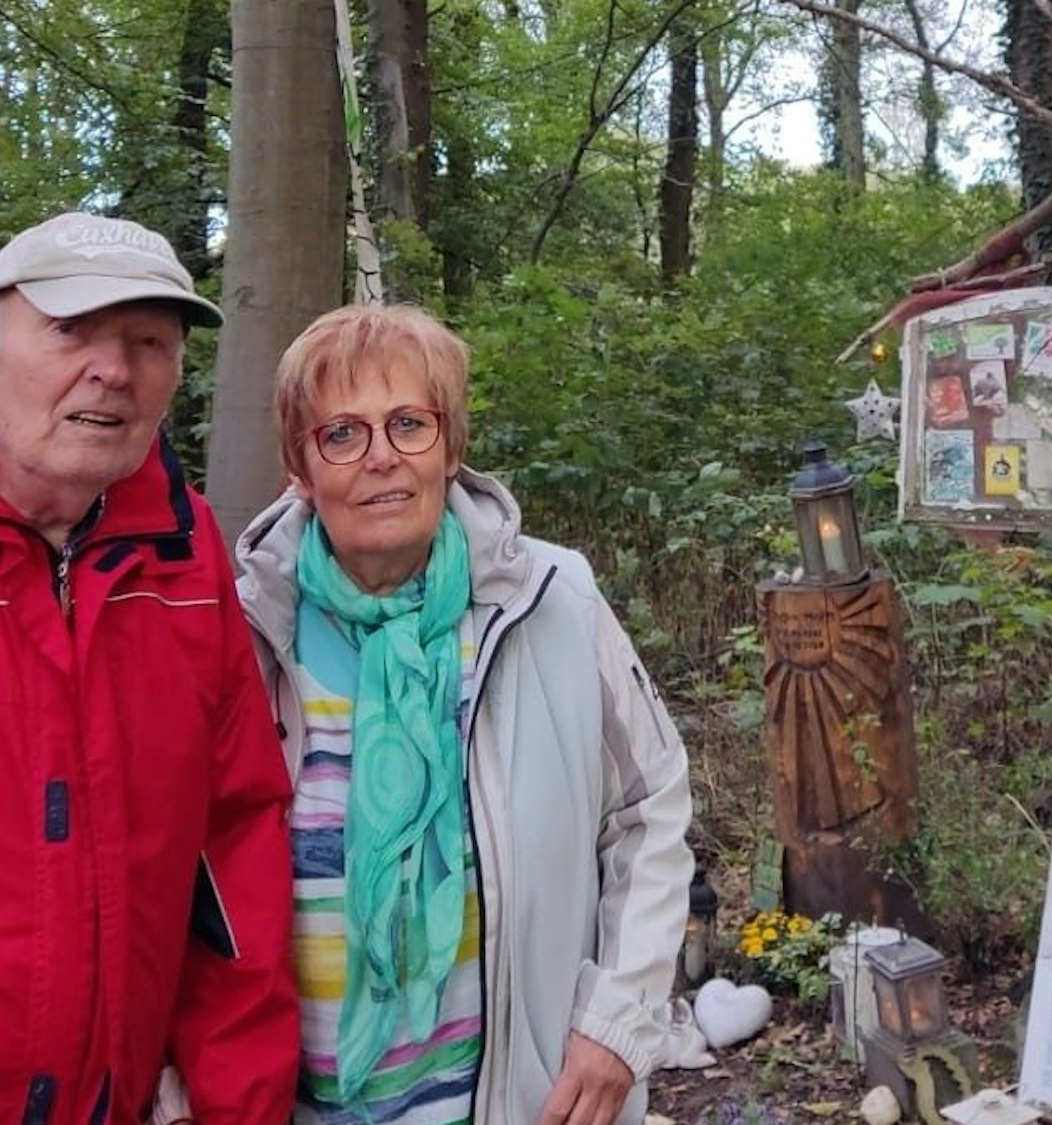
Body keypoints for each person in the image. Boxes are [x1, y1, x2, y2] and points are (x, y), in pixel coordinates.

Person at [0, 213, 299, 1123]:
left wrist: (244, 1102)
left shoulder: (183, 548)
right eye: (70, 329)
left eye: (148, 341)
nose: (113, 371)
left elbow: (232, 840)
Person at [190, 303, 693, 1125]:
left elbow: (650, 807)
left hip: (523, 1101)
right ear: (299, 467)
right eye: (342, 434)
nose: (382, 457)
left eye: (409, 424)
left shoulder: (551, 602)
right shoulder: (240, 635)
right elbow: (181, 888)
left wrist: (618, 1025)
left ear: (451, 445)